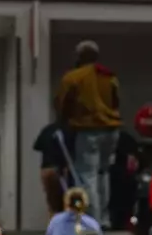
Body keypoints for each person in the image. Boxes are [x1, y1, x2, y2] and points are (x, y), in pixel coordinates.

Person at [46, 41, 119, 219]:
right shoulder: (109, 77)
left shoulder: (73, 77)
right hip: (111, 130)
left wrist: (62, 124)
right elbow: (116, 102)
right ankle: (104, 217)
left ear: (79, 56)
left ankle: (92, 217)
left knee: (88, 175)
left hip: (88, 130)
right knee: (103, 173)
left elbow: (61, 104)